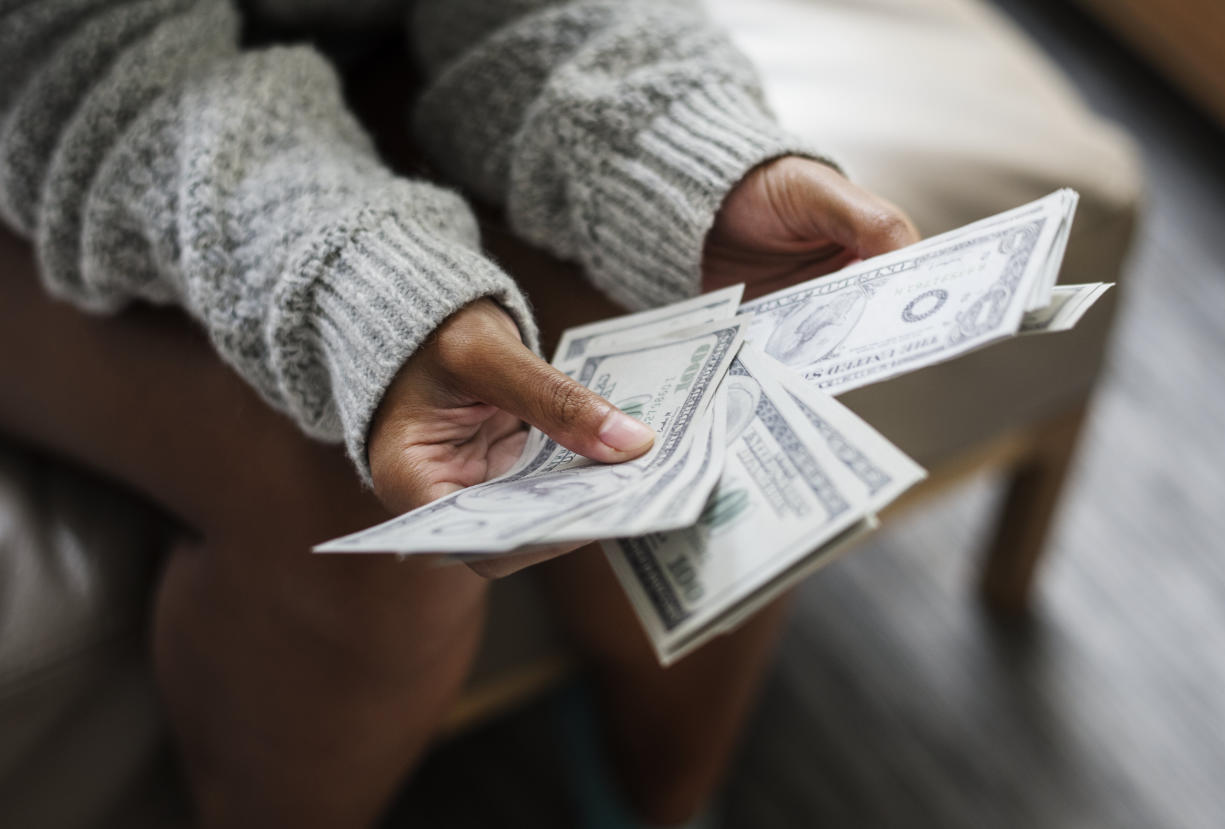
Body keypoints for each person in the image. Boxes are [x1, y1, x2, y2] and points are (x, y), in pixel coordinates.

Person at [0, 0, 917, 825]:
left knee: (701, 351)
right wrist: (368, 288)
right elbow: (70, 56)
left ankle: (663, 800)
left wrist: (684, 152)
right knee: (369, 503)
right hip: (45, 104)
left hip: (367, 52)